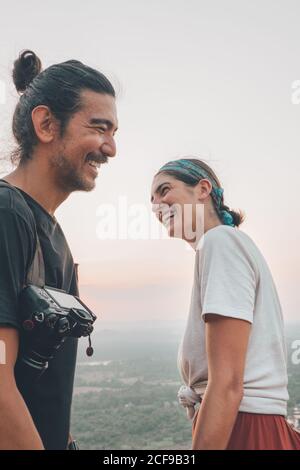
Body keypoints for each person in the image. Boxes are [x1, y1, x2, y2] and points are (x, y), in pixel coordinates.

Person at [0, 50, 118, 450]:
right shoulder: (6, 214)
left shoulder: (53, 236)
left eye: (114, 132)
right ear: (47, 124)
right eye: (100, 128)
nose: (111, 148)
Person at [151, 158, 300, 450]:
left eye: (165, 190)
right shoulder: (223, 244)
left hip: (245, 426)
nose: (157, 205)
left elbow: (228, 383)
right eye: (152, 200)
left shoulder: (220, 243)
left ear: (203, 189)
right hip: (242, 423)